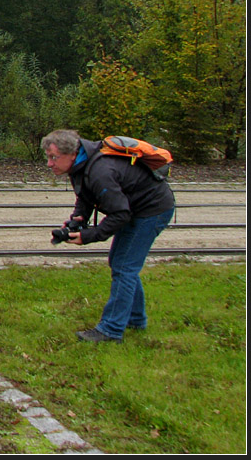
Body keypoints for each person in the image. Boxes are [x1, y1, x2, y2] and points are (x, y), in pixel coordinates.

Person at [41, 129, 175, 343]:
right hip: (134, 208)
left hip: (152, 210)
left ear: (72, 154)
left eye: (53, 158)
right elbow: (86, 195)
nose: (49, 164)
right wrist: (78, 218)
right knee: (122, 264)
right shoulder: (82, 165)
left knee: (124, 267)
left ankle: (111, 330)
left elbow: (120, 214)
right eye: (48, 157)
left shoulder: (100, 170)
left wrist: (89, 236)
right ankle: (135, 319)